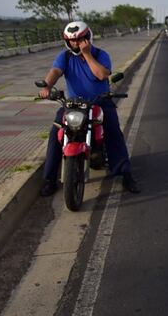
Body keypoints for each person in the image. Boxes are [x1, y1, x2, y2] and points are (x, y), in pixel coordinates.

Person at [38, 21, 140, 196]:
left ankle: (125, 174)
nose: (75, 43)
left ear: (88, 37)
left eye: (79, 39)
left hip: (100, 102)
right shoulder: (65, 57)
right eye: (72, 41)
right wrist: (47, 85)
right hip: (74, 104)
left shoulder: (101, 55)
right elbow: (55, 71)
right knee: (56, 132)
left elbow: (101, 75)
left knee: (113, 132)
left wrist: (87, 54)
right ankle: (49, 180)